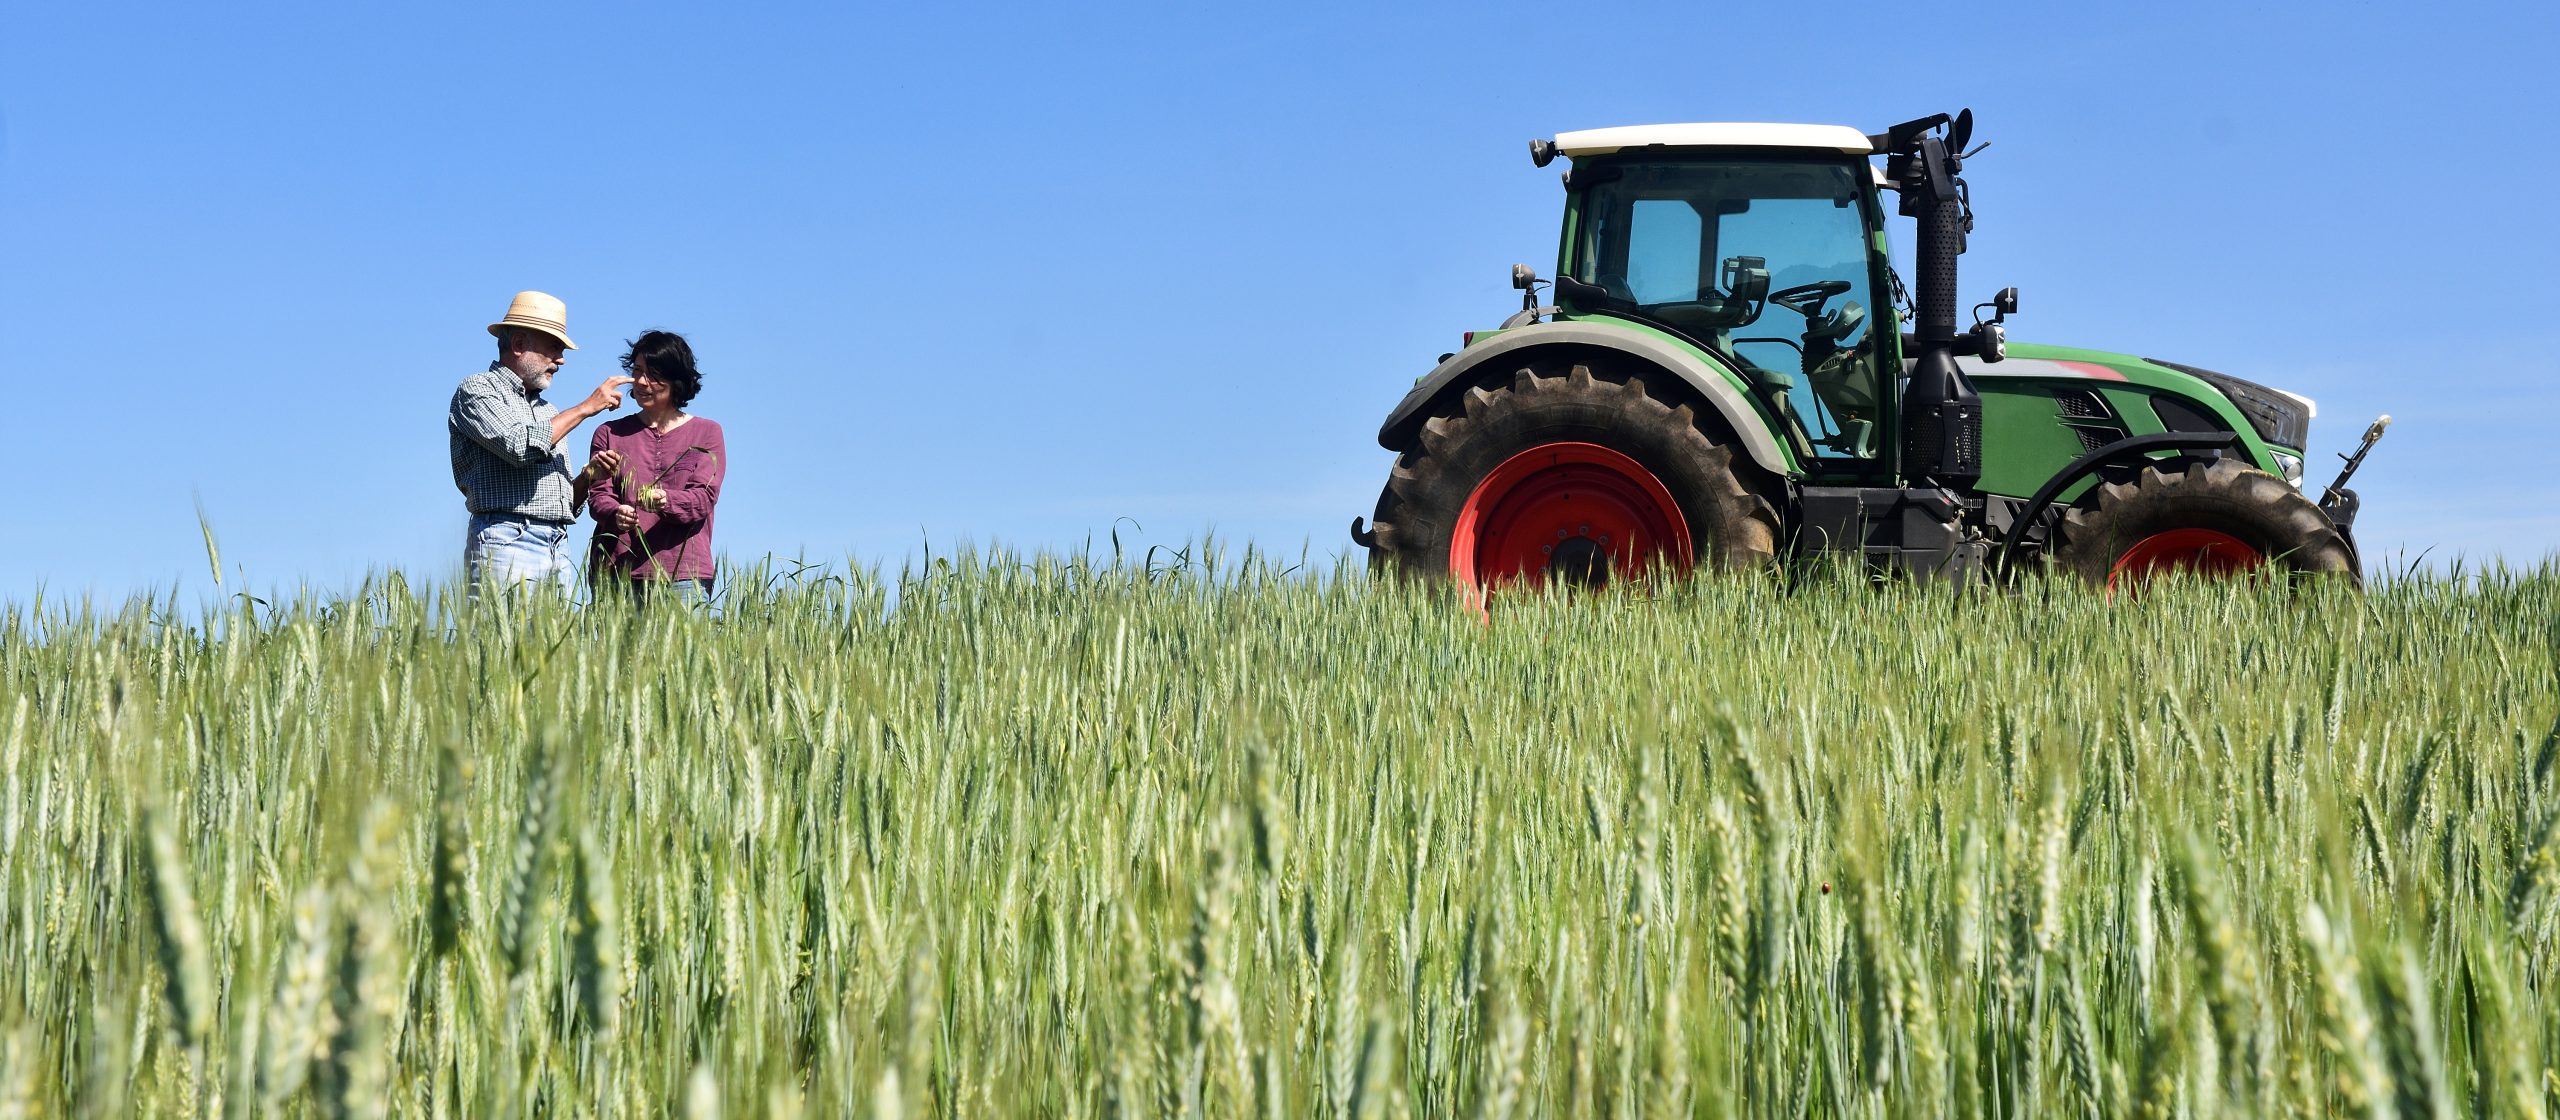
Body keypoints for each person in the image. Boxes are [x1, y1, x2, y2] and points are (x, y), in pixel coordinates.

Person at [449, 291, 631, 595]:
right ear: (520, 345)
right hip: (507, 540)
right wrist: (588, 406)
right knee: (500, 641)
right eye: (554, 349)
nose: (560, 360)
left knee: (548, 644)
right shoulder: (477, 390)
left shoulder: (549, 412)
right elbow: (519, 447)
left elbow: (564, 505)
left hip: (557, 547)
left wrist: (589, 477)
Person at [586, 330, 726, 606]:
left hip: (684, 575)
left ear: (676, 379)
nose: (640, 381)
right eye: (637, 371)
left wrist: (665, 500)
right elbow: (597, 496)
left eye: (652, 374)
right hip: (617, 574)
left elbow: (704, 498)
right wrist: (616, 513)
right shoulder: (609, 432)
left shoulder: (708, 432)